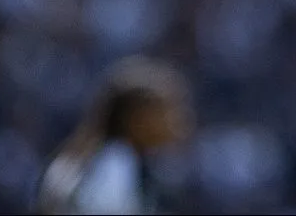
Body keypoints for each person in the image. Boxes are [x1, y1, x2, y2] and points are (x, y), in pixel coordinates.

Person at [33, 56, 194, 215]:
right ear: (136, 119)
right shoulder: (113, 166)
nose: (176, 120)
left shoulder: (98, 157)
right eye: (165, 111)